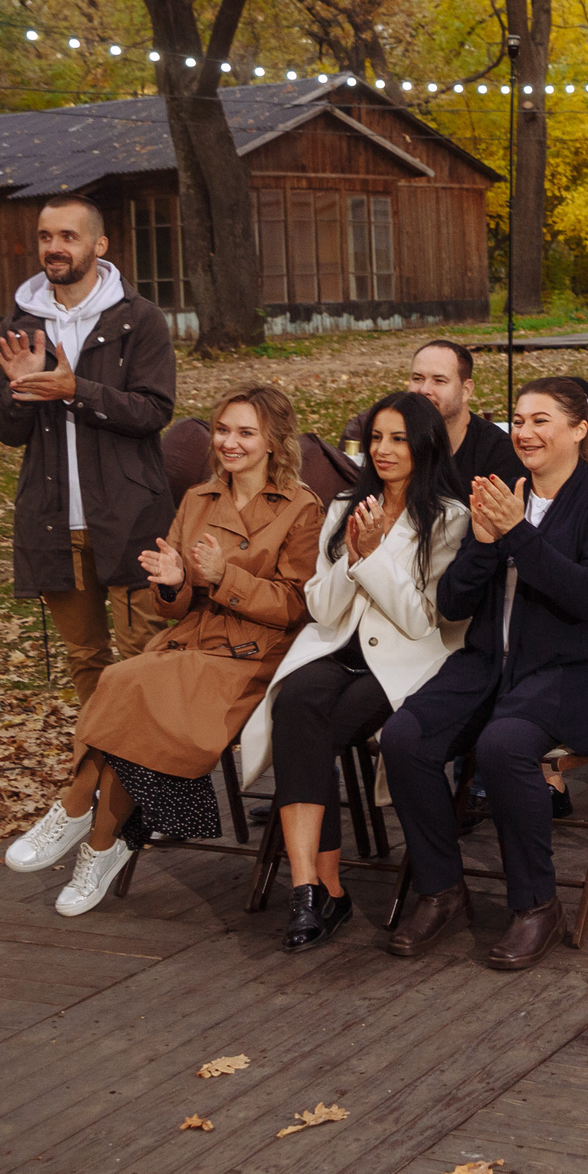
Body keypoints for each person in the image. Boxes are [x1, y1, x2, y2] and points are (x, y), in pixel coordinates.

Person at [4, 385, 322, 917]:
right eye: (223, 430)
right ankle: (101, 842)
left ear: (274, 441)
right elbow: (172, 607)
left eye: (246, 433)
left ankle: (78, 811)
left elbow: (297, 605)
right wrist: (173, 583)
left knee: (128, 683)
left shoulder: (300, 508)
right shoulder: (199, 498)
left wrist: (225, 578)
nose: (230, 442)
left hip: (254, 651)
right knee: (125, 686)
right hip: (191, 638)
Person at [379, 378, 588, 972]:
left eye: (541, 420)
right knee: (405, 739)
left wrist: (519, 533)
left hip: (578, 670)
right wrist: (489, 540)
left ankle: (536, 906)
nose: (524, 432)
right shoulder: (501, 495)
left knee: (502, 747)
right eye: (518, 420)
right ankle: (442, 890)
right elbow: (454, 601)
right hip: (490, 664)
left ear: (579, 429)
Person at [236, 392, 470, 952]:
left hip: (401, 661)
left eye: (398, 439)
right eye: (376, 439)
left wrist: (373, 558)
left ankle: (322, 895)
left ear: (425, 444)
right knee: (296, 703)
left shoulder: (448, 518)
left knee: (309, 733)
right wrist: (352, 558)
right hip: (336, 647)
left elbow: (420, 619)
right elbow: (321, 606)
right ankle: (311, 888)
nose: (383, 450)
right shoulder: (344, 505)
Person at [0, 191, 176, 705]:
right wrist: (21, 392)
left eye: (68, 236)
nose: (55, 247)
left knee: (144, 654)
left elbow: (154, 411)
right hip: (53, 521)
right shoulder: (20, 325)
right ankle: (101, 773)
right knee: (86, 658)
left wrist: (75, 390)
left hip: (130, 516)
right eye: (47, 237)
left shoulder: (140, 319)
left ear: (99, 244)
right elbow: (5, 431)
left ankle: (151, 776)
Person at [407, 338, 520, 493]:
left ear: (466, 390)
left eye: (439, 380)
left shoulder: (498, 454)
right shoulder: (395, 437)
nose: (424, 389)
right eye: (417, 379)